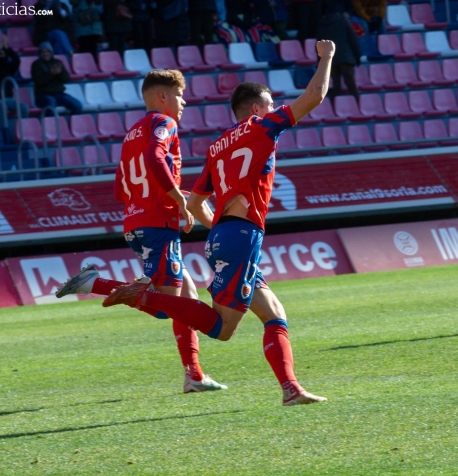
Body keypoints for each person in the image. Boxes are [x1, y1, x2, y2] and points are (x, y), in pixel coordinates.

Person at [102, 40, 337, 406]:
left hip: (224, 236)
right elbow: (315, 95)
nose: (274, 111)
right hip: (240, 236)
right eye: (270, 106)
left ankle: (292, 389)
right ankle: (144, 296)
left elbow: (195, 202)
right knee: (223, 329)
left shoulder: (217, 146)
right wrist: (327, 58)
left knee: (274, 313)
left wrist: (219, 232)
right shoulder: (263, 127)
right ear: (257, 109)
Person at [55, 69, 227, 394]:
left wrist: (155, 197)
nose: (184, 101)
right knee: (166, 306)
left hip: (135, 222)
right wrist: (175, 197)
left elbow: (121, 187)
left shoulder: (131, 132)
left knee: (187, 297)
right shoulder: (164, 123)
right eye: (179, 95)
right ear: (162, 97)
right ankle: (94, 282)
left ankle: (194, 374)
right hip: (157, 224)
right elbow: (155, 155)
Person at [0, 36, 29, 125]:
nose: (1, 52)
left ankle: (23, 131)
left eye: (3, 51)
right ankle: (2, 132)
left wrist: (8, 48)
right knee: (2, 106)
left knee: (24, 108)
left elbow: (17, 60)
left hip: (7, 98)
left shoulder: (9, 67)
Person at [317, 10, 362, 100]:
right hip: (346, 57)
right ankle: (358, 106)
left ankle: (334, 108)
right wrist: (357, 56)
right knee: (352, 87)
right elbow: (353, 40)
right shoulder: (342, 21)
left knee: (336, 86)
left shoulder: (321, 25)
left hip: (330, 59)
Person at [31, 42, 83, 114]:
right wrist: (51, 73)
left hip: (59, 94)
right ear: (40, 53)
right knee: (51, 104)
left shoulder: (58, 62)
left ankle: (72, 124)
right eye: (43, 52)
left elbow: (66, 79)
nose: (45, 54)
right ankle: (50, 124)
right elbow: (39, 81)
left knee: (77, 105)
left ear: (51, 52)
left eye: (47, 51)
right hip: (43, 96)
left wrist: (60, 72)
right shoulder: (36, 64)